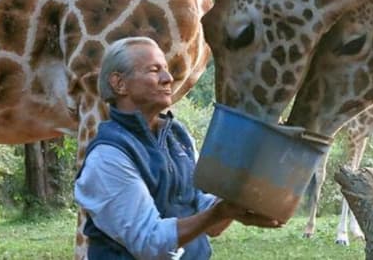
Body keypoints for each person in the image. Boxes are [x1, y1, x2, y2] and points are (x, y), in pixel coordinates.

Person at [74, 37, 281, 260]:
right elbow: (149, 242)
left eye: (166, 69)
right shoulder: (108, 156)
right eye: (154, 70)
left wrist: (240, 194)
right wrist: (220, 212)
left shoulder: (177, 136)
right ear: (119, 84)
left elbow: (207, 214)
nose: (168, 78)